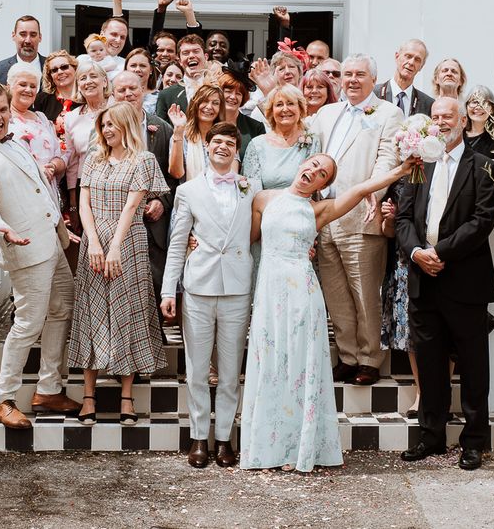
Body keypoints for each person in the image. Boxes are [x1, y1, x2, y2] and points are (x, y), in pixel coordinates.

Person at [241, 152, 418, 472]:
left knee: (298, 367)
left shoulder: (318, 210)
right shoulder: (263, 199)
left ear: (324, 184)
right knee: (270, 364)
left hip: (302, 296)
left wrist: (400, 171)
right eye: (312, 164)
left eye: (322, 172)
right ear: (302, 164)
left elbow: (362, 188)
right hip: (269, 294)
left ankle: (300, 446)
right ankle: (270, 445)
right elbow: (248, 238)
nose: (314, 171)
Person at [0, 83, 80, 428]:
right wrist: (4, 231)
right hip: (25, 250)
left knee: (62, 308)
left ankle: (48, 389)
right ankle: (2, 399)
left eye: (2, 110)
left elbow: (38, 189)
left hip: (51, 242)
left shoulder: (14, 141)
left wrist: (60, 227)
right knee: (28, 324)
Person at [396, 97, 494, 471]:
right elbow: (405, 218)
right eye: (435, 116)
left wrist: (440, 251)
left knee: (474, 366)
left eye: (447, 116)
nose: (440, 121)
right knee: (430, 361)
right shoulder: (417, 166)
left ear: (462, 121)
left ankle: (474, 442)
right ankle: (431, 436)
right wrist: (416, 253)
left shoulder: (483, 166)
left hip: (465, 279)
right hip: (423, 279)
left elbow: (482, 220)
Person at [67, 101, 169, 425]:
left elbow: (131, 209)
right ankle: (88, 397)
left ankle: (127, 398)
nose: (107, 130)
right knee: (91, 313)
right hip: (94, 243)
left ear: (126, 126)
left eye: (113, 124)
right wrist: (94, 242)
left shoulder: (144, 160)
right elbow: (83, 204)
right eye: (104, 124)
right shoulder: (93, 160)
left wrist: (114, 249)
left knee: (127, 314)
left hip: (128, 243)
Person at [160, 123, 254, 469]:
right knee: (198, 369)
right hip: (198, 287)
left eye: (230, 143)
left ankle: (225, 439)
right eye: (217, 142)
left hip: (238, 288)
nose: (223, 148)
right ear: (207, 147)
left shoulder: (251, 188)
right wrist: (169, 289)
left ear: (237, 151)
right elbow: (177, 243)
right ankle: (199, 437)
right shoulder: (188, 191)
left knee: (230, 371)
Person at [309, 54, 403, 386]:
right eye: (347, 74)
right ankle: (348, 356)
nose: (351, 80)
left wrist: (372, 193)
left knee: (365, 293)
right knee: (336, 295)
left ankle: (369, 359)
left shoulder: (388, 113)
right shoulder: (325, 113)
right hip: (325, 217)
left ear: (372, 79)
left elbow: (387, 159)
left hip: (362, 217)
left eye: (359, 74)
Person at [110, 71, 177, 301]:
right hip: (116, 222)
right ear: (113, 94)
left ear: (143, 91)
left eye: (133, 89)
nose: (128, 94)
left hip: (152, 225)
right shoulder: (104, 129)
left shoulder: (162, 129)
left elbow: (174, 175)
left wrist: (162, 201)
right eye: (121, 90)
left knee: (153, 288)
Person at [379, 180, 420, 416]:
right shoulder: (398, 184)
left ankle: (441, 392)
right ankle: (421, 392)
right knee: (411, 332)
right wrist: (391, 217)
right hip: (405, 263)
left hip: (440, 253)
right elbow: (388, 232)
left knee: (444, 331)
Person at [242, 84, 320, 193]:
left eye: (290, 103)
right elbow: (251, 190)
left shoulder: (312, 141)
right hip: (265, 207)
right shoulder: (257, 144)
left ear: (300, 108)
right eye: (279, 105)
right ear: (271, 111)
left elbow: (313, 186)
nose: (285, 109)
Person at [7, 63, 68, 196]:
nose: (28, 90)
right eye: (23, 85)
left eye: (33, 86)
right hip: (20, 192)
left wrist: (53, 166)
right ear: (9, 87)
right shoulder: (4, 120)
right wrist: (37, 170)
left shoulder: (42, 118)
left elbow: (59, 156)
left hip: (48, 191)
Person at [64, 61, 111, 226]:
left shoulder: (118, 109)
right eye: (83, 78)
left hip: (115, 183)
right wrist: (73, 203)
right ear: (78, 85)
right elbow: (72, 162)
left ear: (104, 81)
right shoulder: (71, 117)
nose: (88, 81)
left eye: (93, 76)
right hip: (85, 187)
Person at [168, 83, 226, 181]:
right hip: (188, 193)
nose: (209, 107)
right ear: (196, 104)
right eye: (205, 101)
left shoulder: (226, 136)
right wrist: (178, 131)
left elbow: (232, 173)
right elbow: (176, 173)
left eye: (215, 103)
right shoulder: (182, 135)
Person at [374, 39, 434, 117]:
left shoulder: (427, 104)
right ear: (397, 56)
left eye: (417, 60)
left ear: (421, 66)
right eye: (408, 56)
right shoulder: (373, 94)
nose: (411, 62)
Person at [155, 34, 209, 118]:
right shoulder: (166, 95)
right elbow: (161, 129)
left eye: (196, 51)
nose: (191, 56)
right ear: (179, 60)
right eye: (186, 53)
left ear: (206, 57)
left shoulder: (218, 88)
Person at [218, 70, 265, 161]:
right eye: (228, 91)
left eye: (238, 93)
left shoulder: (256, 127)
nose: (233, 97)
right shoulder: (208, 122)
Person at [0, 15, 45, 85]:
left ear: (40, 37)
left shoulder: (52, 68)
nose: (28, 40)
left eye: (33, 35)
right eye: (23, 34)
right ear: (13, 36)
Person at [34, 50, 79, 123]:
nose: (60, 72)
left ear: (75, 68)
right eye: (54, 70)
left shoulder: (86, 96)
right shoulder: (41, 100)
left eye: (64, 67)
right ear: (50, 76)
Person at [464, 85, 494, 159]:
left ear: (492, 109)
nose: (478, 107)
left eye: (484, 103)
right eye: (474, 102)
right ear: (466, 106)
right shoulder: (457, 135)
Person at [124, 48, 160, 114]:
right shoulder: (118, 95)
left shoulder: (160, 97)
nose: (137, 69)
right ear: (126, 68)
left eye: (142, 66)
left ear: (151, 70)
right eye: (133, 66)